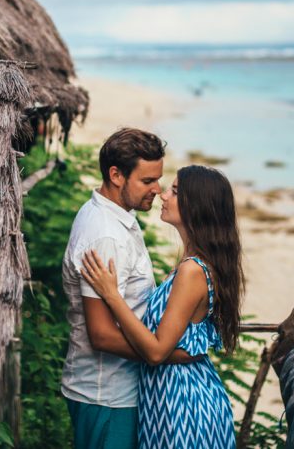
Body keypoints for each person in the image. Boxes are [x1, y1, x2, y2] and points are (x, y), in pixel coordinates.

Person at [81, 164, 241, 449]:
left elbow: (155, 351)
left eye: (175, 191)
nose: (163, 195)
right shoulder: (191, 264)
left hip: (184, 405)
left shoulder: (192, 271)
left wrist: (112, 296)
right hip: (169, 398)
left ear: (197, 206)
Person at [61, 128, 197, 449]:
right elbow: (101, 334)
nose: (157, 189)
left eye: (158, 179)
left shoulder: (116, 216)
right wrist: (164, 355)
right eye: (147, 181)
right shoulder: (105, 235)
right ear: (116, 175)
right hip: (106, 395)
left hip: (118, 391)